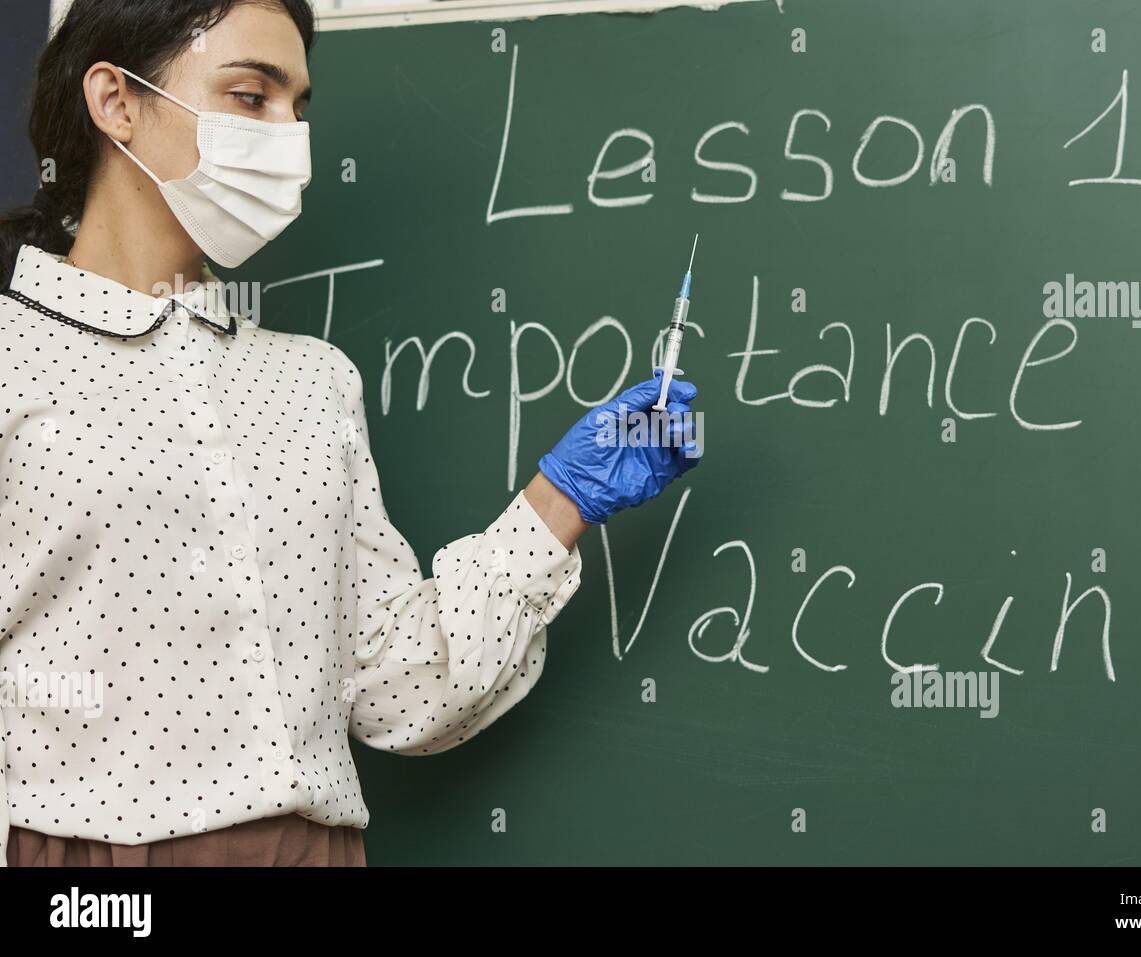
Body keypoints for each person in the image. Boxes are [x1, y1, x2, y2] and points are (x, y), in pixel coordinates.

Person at [0, 0, 700, 867]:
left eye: (299, 107)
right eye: (251, 97)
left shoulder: (313, 381)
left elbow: (397, 687)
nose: (287, 136)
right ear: (116, 101)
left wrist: (562, 497)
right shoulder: (12, 356)